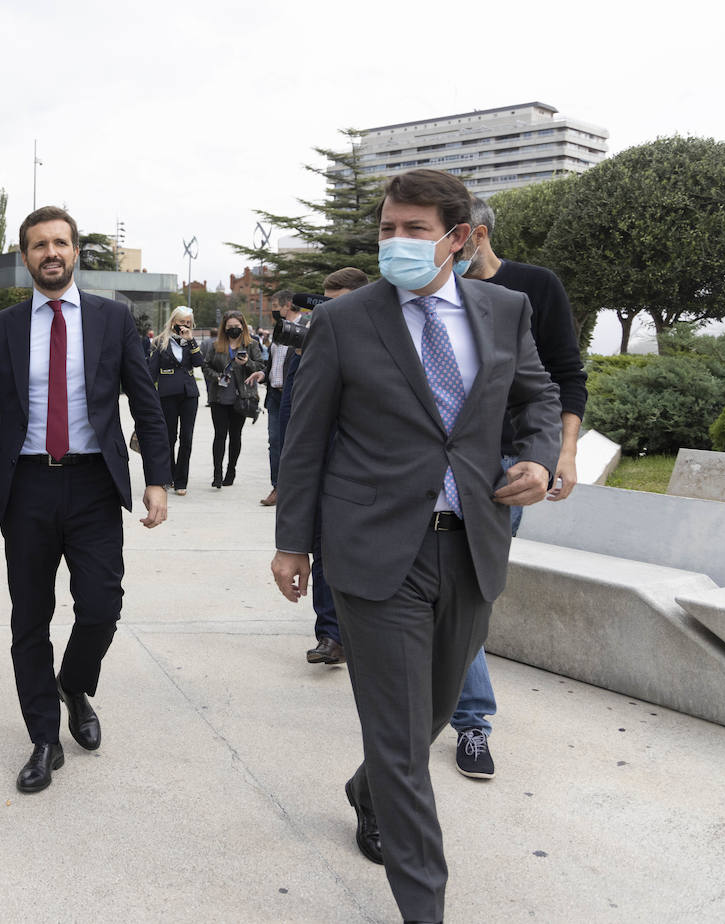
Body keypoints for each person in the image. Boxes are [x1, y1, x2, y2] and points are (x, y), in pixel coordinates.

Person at [271, 169, 561, 924]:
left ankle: (365, 791)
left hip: (471, 546)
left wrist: (538, 457)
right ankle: (423, 908)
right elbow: (305, 441)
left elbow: (536, 398)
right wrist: (292, 542)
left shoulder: (507, 310)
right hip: (375, 553)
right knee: (402, 744)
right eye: (387, 228)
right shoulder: (344, 321)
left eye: (414, 229)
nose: (395, 241)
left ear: (458, 238)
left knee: (430, 714)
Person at [0, 206, 172, 794]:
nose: (50, 253)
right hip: (25, 486)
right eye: (38, 245)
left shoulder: (112, 318)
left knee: (101, 605)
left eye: (60, 243)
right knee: (30, 618)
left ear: (75, 252)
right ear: (25, 257)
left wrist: (157, 477)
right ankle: (45, 739)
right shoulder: (2, 328)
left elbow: (145, 404)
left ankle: (74, 683)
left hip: (94, 485)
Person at [445, 197, 588, 780]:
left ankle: (472, 723)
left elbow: (563, 377)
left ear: (474, 236)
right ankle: (444, 704)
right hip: (441, 462)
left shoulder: (531, 289)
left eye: (453, 239)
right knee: (446, 583)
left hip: (508, 465)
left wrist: (561, 453)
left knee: (470, 584)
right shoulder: (429, 297)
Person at [293, 268, 369, 666]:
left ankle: (360, 634)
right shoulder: (320, 338)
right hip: (328, 466)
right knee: (323, 552)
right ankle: (330, 635)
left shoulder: (381, 340)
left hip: (371, 474)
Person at [201, 310, 264, 488]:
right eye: (230, 327)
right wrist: (217, 377)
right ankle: (217, 473)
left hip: (241, 398)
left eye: (237, 326)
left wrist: (248, 363)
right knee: (219, 435)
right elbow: (205, 366)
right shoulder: (216, 345)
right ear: (224, 328)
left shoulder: (251, 344)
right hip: (219, 397)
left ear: (242, 327)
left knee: (235, 435)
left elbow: (260, 367)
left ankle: (231, 471)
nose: (233, 329)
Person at [147, 306, 203, 495]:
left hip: (189, 394)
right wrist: (148, 397)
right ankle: (168, 475)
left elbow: (198, 362)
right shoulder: (159, 342)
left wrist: (191, 341)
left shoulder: (190, 342)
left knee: (186, 438)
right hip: (167, 394)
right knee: (168, 437)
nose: (185, 326)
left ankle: (181, 480)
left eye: (188, 323)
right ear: (173, 322)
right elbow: (151, 372)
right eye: (182, 322)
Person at [260, 292, 297, 507]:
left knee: (294, 443)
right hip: (274, 395)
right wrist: (263, 374)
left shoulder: (307, 328)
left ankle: (293, 488)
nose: (274, 309)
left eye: (276, 305)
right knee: (275, 442)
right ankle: (277, 486)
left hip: (293, 395)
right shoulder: (279, 330)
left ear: (288, 305)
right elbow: (273, 363)